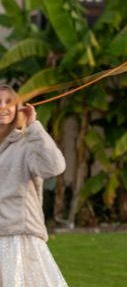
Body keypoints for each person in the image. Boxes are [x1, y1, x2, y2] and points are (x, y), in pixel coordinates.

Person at [0, 84, 67, 286]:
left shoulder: (27, 143)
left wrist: (33, 126)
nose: (3, 107)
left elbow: (54, 167)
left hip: (19, 238)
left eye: (8, 102)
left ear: (17, 108)